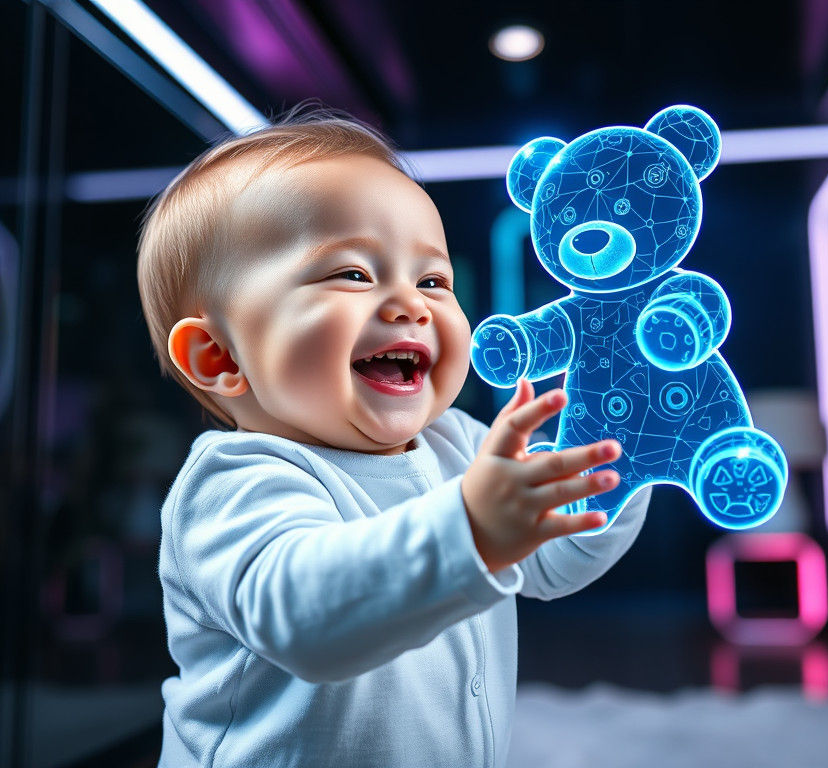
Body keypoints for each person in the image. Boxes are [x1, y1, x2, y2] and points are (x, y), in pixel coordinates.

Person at [137, 109, 651, 767]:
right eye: (352, 273)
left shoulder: (460, 446)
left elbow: (553, 560)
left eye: (433, 280)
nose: (412, 304)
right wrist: (470, 529)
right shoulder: (235, 481)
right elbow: (306, 617)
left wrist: (621, 458)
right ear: (220, 356)